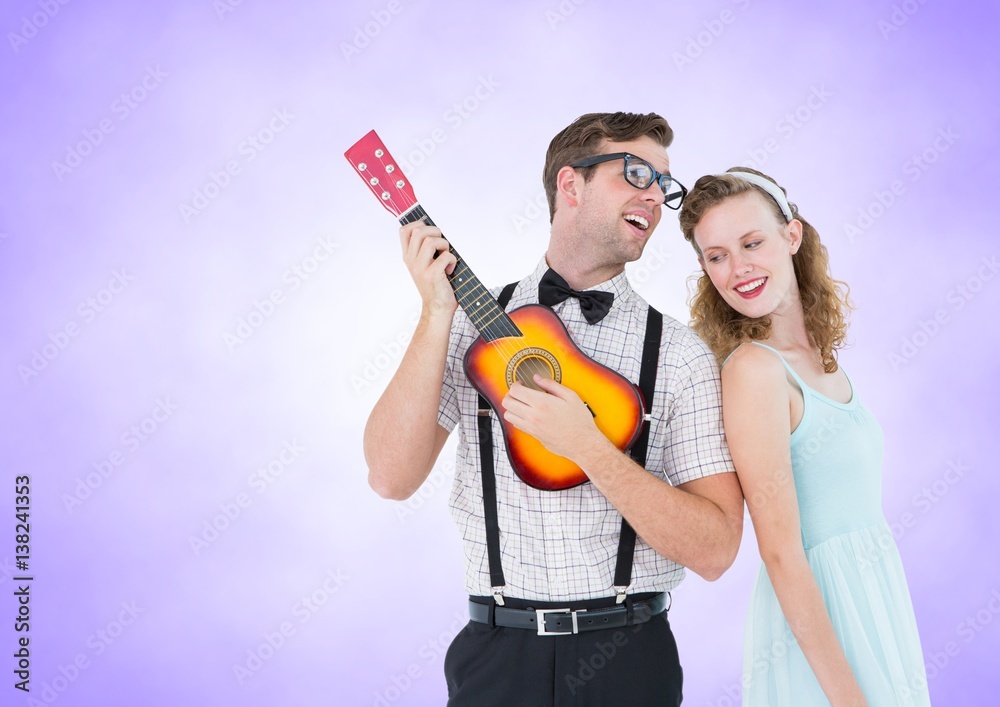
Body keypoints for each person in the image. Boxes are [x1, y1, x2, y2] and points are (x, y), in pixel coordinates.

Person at [363, 112, 744, 706]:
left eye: (663, 186)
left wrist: (591, 449)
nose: (655, 196)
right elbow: (389, 477)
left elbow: (717, 550)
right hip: (495, 656)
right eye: (637, 172)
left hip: (630, 656)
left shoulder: (679, 355)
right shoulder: (468, 324)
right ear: (571, 185)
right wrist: (436, 311)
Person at [678, 168, 931, 706]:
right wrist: (850, 699)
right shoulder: (754, 371)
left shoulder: (820, 361)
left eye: (751, 243)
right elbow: (781, 554)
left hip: (872, 606)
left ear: (791, 236)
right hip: (819, 631)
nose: (737, 268)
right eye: (716, 255)